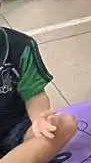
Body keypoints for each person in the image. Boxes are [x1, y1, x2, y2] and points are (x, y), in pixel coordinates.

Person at [0, 22, 77, 163]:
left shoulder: (20, 46)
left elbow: (34, 95)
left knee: (65, 124)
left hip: (16, 129)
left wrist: (40, 119)